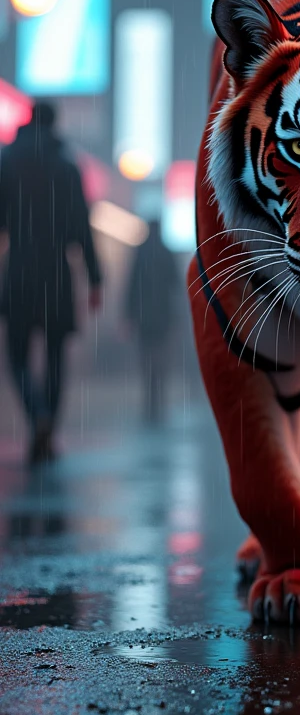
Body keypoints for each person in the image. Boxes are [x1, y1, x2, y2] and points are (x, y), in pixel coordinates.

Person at [0, 100, 101, 462]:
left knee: (16, 356)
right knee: (56, 357)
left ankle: (36, 413)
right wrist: (94, 279)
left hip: (20, 269)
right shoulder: (68, 167)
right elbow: (82, 230)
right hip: (58, 274)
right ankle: (48, 429)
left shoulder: (8, 161)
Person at [125, 219, 179, 424]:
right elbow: (174, 284)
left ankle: (149, 396)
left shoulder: (141, 252)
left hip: (144, 317)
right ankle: (158, 395)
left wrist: (129, 314)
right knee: (160, 357)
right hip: (162, 316)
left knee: (146, 356)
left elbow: (131, 284)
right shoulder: (166, 252)